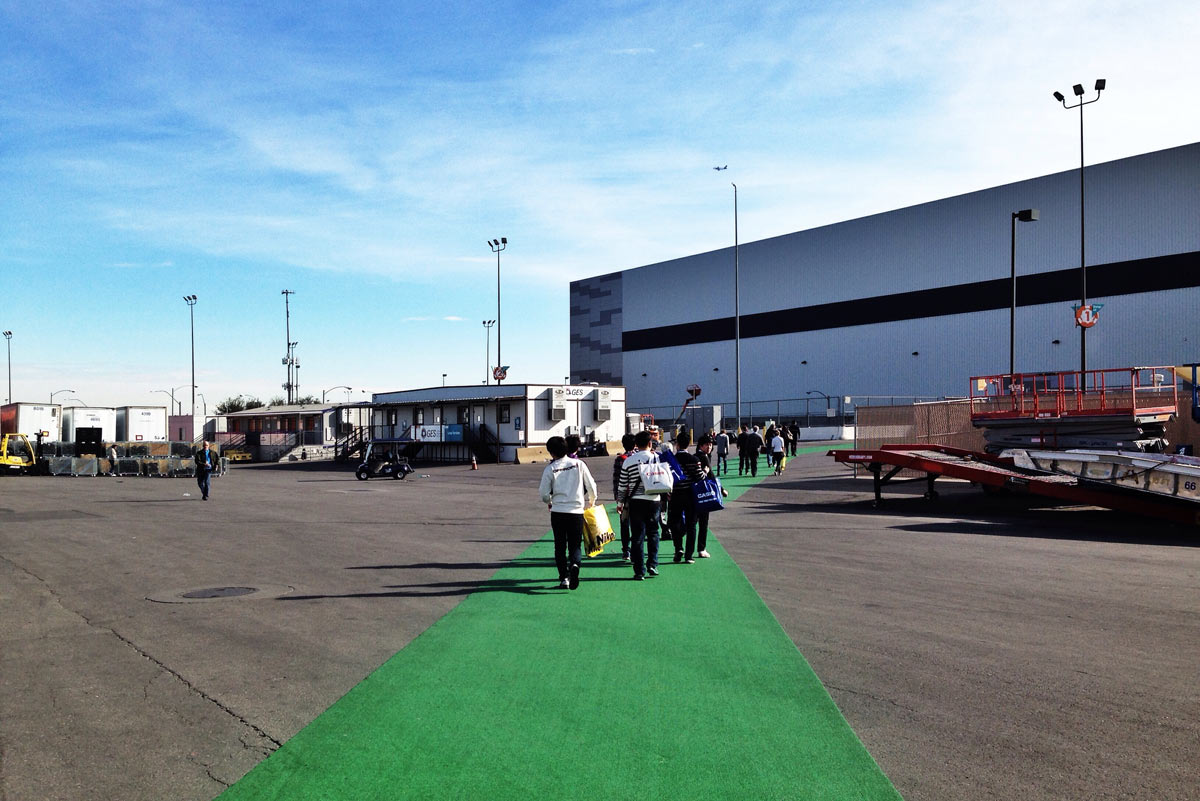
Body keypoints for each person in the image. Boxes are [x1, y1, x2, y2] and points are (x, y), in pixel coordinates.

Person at [538, 435, 597, 590]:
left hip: (558, 511)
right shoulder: (579, 464)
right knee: (575, 544)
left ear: (551, 452)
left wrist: (549, 501)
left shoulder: (550, 468)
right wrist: (592, 501)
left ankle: (564, 577)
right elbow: (591, 485)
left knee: (559, 545)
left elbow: (543, 493)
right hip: (576, 511)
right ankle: (575, 565)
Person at [616, 430, 662, 581]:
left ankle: (639, 570)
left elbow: (622, 485)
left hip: (635, 501)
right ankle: (653, 564)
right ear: (650, 443)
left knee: (637, 535)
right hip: (654, 499)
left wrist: (620, 502)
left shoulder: (628, 461)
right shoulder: (657, 458)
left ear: (636, 444)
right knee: (653, 532)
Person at [668, 430, 701, 563]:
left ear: (677, 445)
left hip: (675, 495)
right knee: (691, 525)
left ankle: (678, 549)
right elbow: (700, 477)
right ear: (689, 444)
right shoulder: (694, 459)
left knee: (674, 522)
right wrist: (705, 471)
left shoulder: (672, 460)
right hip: (690, 495)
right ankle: (689, 555)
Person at [693, 434, 728, 558]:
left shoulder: (695, 456)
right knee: (703, 522)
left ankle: (683, 545)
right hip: (704, 493)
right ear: (701, 445)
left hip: (694, 493)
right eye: (707, 444)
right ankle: (701, 549)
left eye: (711, 444)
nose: (710, 447)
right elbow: (711, 475)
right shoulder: (703, 457)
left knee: (692, 522)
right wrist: (721, 489)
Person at [611, 433, 636, 562]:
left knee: (625, 524)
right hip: (638, 496)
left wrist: (617, 497)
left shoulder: (620, 459)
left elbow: (616, 480)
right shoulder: (639, 458)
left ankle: (626, 550)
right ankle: (637, 550)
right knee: (638, 524)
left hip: (625, 497)